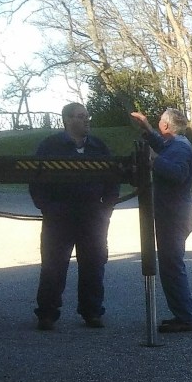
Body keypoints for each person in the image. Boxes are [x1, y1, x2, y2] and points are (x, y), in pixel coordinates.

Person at [29, 102, 119, 330]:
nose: (87, 120)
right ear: (66, 120)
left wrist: (106, 209)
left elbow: (112, 178)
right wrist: (47, 207)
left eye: (87, 116)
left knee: (94, 265)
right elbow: (35, 178)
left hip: (92, 216)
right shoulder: (50, 146)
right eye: (80, 116)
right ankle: (47, 314)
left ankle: (92, 313)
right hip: (59, 216)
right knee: (53, 266)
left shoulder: (99, 147)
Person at [130, 107, 192, 332]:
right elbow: (161, 145)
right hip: (173, 213)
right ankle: (182, 315)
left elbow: (178, 173)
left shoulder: (179, 147)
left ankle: (186, 318)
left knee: (171, 266)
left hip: (173, 215)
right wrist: (147, 128)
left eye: (160, 121)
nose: (159, 124)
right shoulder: (175, 143)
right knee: (170, 265)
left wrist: (152, 160)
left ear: (167, 126)